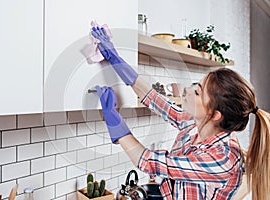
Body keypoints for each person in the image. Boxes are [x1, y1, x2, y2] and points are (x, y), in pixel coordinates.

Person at [91, 27, 270, 200]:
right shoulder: (196, 123)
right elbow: (154, 99)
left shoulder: (221, 159)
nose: (190, 90)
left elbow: (147, 161)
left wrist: (113, 119)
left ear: (215, 114)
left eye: (198, 92)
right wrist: (115, 59)